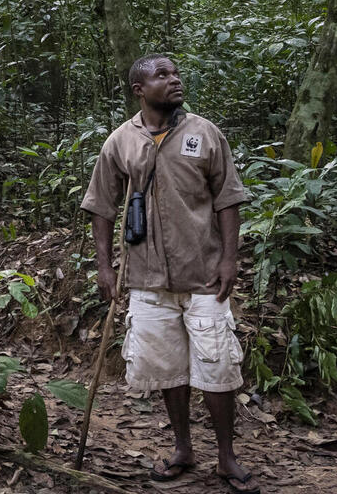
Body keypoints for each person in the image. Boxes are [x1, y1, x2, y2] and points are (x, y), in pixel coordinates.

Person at [80, 54, 259, 494]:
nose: (174, 79)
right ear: (139, 89)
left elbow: (228, 199)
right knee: (167, 370)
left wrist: (229, 259)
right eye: (162, 75)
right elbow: (101, 206)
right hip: (145, 278)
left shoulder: (204, 132)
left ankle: (226, 457)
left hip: (204, 277)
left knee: (217, 368)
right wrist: (105, 266)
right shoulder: (121, 141)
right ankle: (183, 449)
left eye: (175, 73)